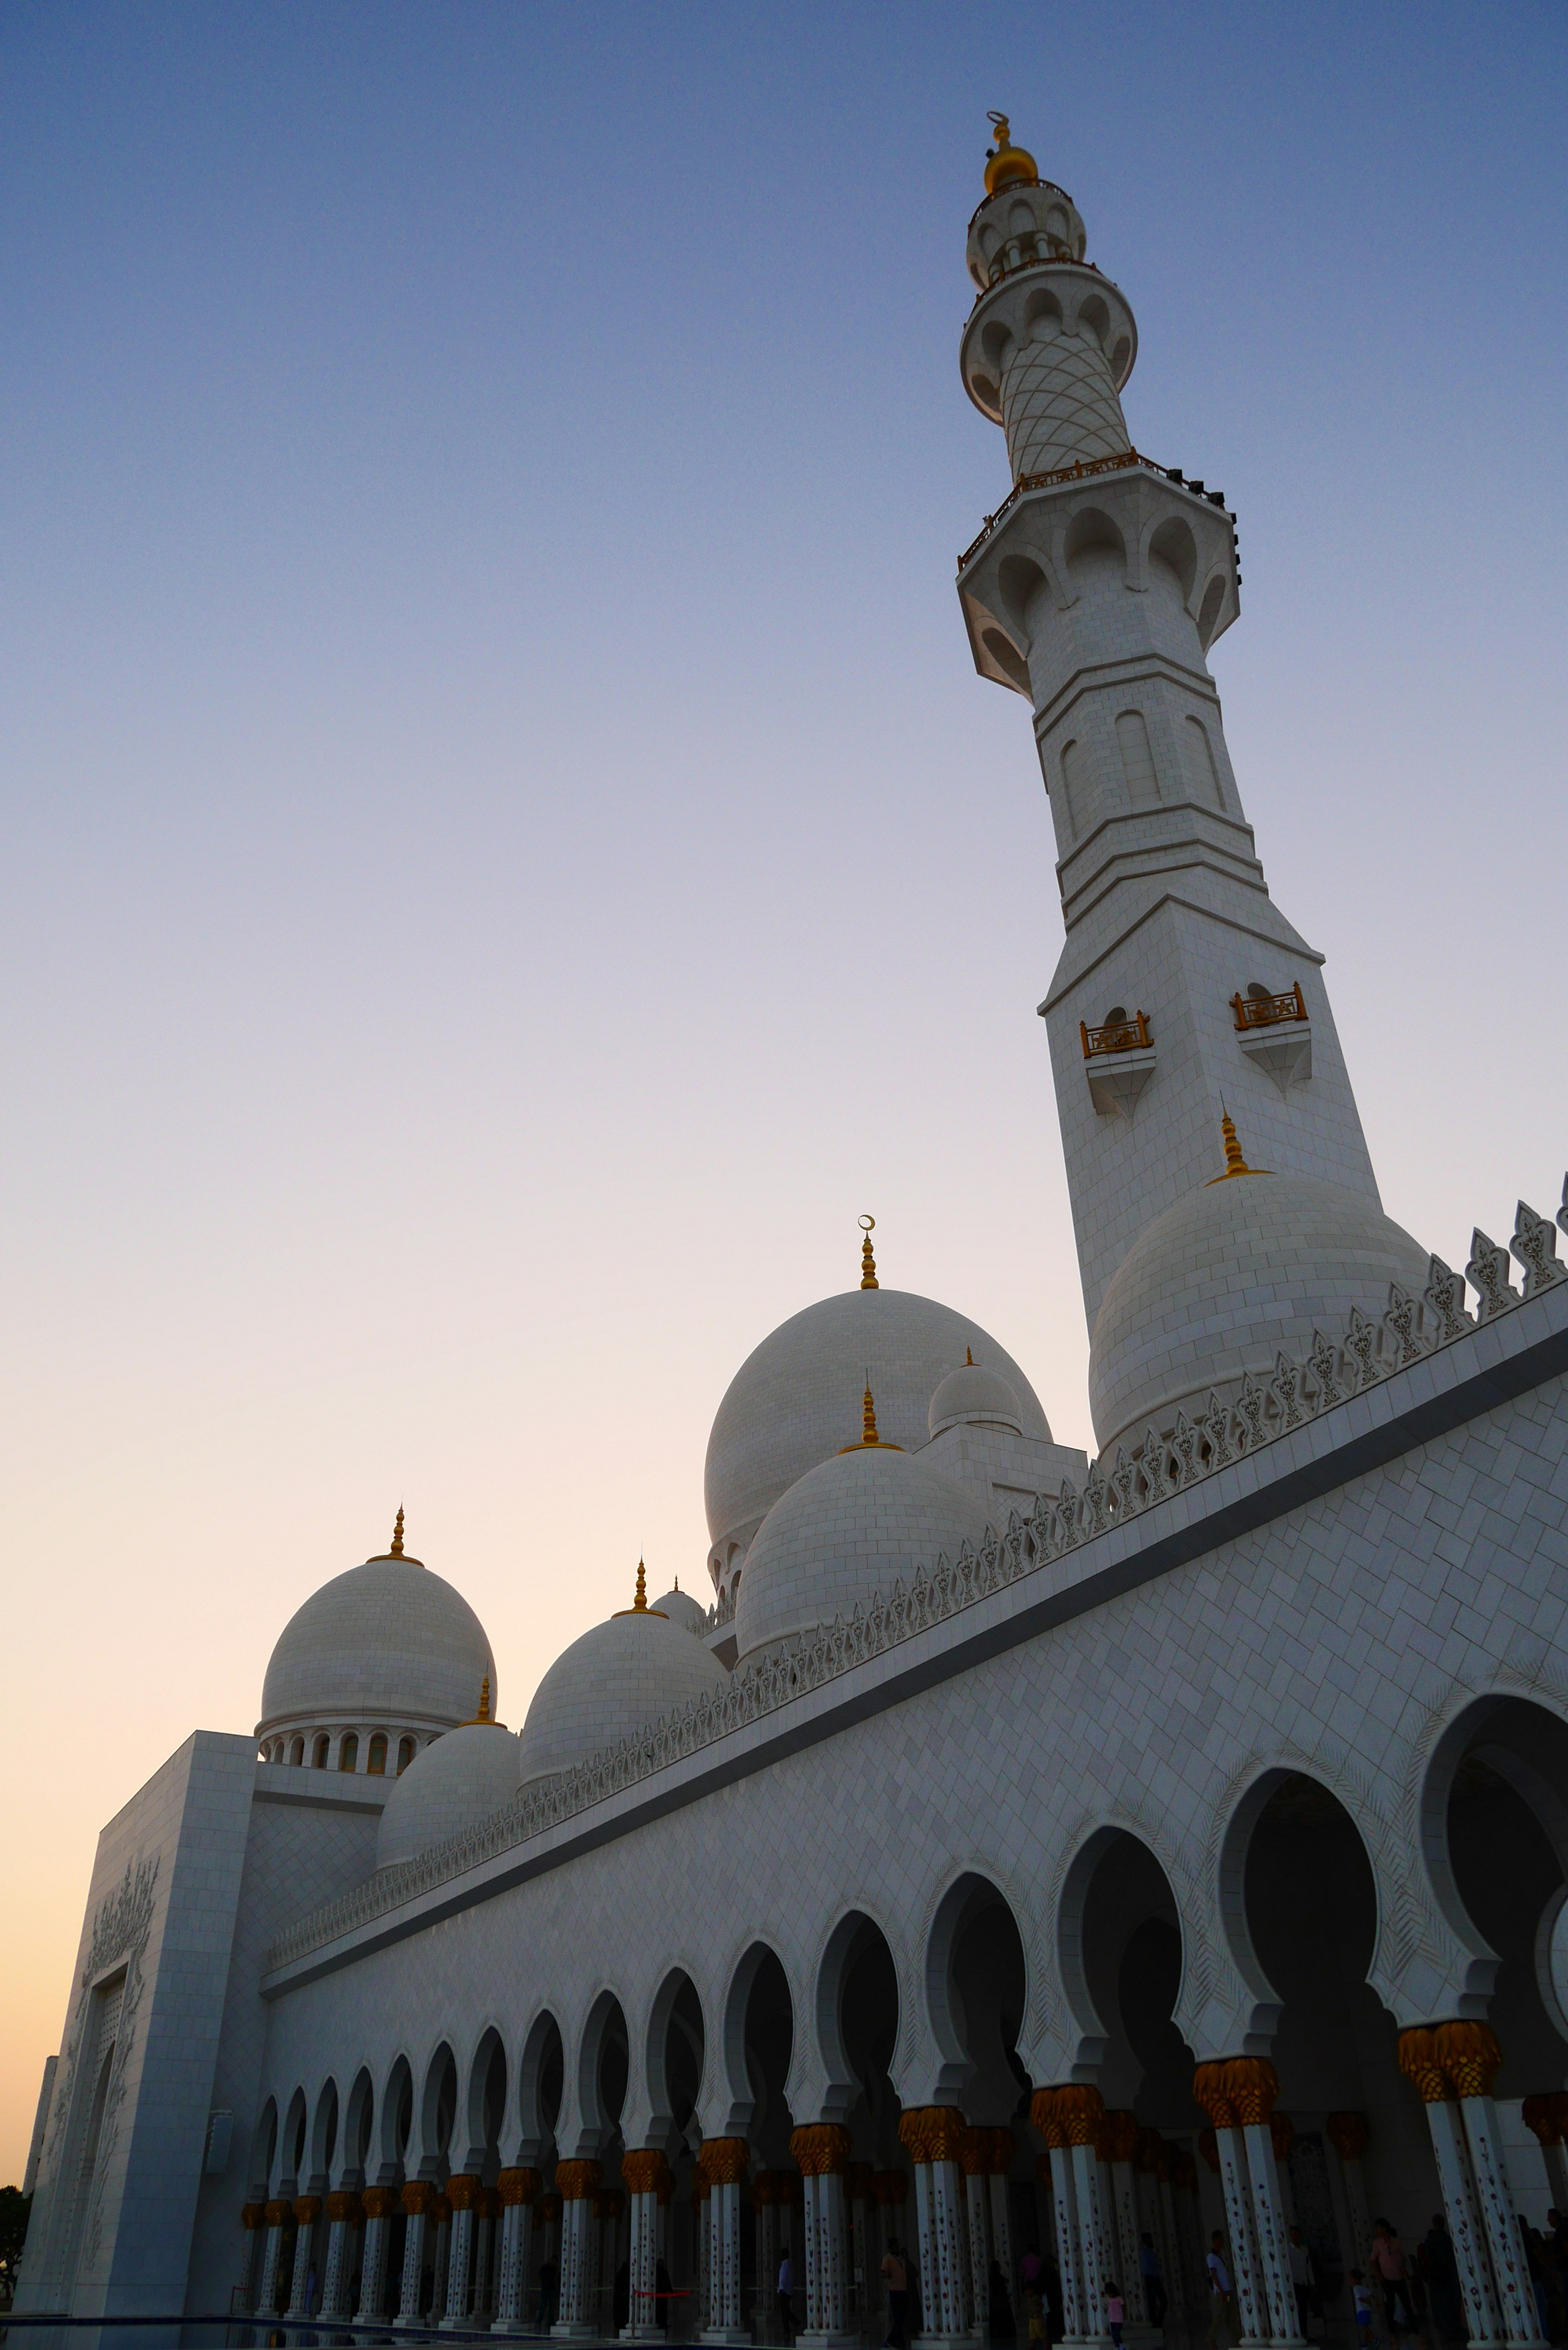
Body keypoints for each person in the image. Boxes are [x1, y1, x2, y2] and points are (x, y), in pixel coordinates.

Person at [1420, 2214, 1463, 2347]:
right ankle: (1454, 2328)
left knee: (1440, 2305)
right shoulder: (1448, 2239)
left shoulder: (1431, 2240)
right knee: (1451, 2304)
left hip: (1436, 2277)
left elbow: (1425, 2256)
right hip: (1449, 2276)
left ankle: (1446, 2329)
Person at [1371, 2219, 1412, 2339]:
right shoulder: (1380, 2247)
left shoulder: (1396, 2248)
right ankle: (1397, 2323)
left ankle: (1399, 2322)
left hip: (1395, 2279)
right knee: (1394, 2302)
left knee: (1398, 2301)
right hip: (1389, 2279)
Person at [1287, 2225, 1316, 2336]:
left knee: (1304, 2308)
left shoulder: (1304, 2250)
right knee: (1297, 2307)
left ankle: (1304, 2333)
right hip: (1294, 2282)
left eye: (1296, 2234)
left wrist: (1312, 2282)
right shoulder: (1289, 2250)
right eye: (1292, 2235)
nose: (1294, 2237)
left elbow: (1308, 2266)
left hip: (1304, 2282)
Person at [881, 2236, 909, 2350]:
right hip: (895, 2290)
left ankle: (895, 2339)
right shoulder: (888, 2259)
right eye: (895, 2246)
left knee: (903, 2316)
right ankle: (895, 2339)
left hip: (903, 2289)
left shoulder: (901, 2258)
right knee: (898, 2317)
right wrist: (888, 2276)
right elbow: (883, 2272)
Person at [1207, 2233, 1233, 2350]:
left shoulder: (1219, 2256)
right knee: (1219, 2316)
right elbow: (1214, 2275)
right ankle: (1211, 2339)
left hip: (1228, 2292)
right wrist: (1221, 2291)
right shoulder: (1211, 2257)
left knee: (1231, 2318)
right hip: (1223, 2293)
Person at [1140, 2232, 1167, 2330]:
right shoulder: (1145, 2252)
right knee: (1152, 2302)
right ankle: (1155, 2324)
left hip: (1155, 2278)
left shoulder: (1151, 2252)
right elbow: (1146, 2267)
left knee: (1163, 2302)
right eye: (1149, 2239)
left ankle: (1157, 2323)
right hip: (1150, 2278)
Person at [989, 2256, 1016, 2343]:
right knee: (1003, 2317)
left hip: (995, 2301)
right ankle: (1005, 2333)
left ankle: (998, 2334)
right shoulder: (998, 2277)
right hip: (1001, 2300)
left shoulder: (992, 2276)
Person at [536, 2253, 559, 2332]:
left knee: (552, 2308)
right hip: (545, 2290)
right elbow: (540, 2277)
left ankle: (550, 2323)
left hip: (551, 2290)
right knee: (543, 2306)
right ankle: (539, 2321)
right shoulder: (545, 2268)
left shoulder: (554, 2269)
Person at [1350, 2271, 1373, 2343]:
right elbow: (1371, 2295)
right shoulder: (1364, 2288)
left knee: (1365, 2327)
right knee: (1365, 2328)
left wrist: (1367, 2302)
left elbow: (1360, 2299)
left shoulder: (1356, 2289)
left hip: (1361, 2310)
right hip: (1367, 2310)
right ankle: (1365, 2344)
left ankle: (1375, 2339)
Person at [778, 2247, 795, 2342]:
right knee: (786, 2310)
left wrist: (780, 2290)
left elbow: (783, 2278)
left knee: (785, 2311)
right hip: (789, 2291)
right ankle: (793, 2325)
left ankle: (788, 2329)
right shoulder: (790, 2265)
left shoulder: (785, 2265)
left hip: (785, 2291)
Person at [1105, 2279, 1125, 2350]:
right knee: (1114, 2335)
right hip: (1112, 2320)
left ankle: (1122, 2346)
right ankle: (1117, 2348)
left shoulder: (1119, 2299)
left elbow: (1123, 2307)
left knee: (1116, 2334)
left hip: (1119, 2320)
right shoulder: (1109, 2299)